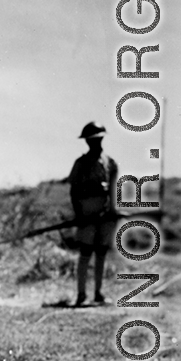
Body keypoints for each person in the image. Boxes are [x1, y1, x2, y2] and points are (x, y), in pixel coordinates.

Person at [67, 122, 118, 307]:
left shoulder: (110, 162)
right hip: (87, 209)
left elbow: (114, 188)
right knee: (86, 252)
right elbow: (73, 191)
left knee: (101, 253)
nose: (93, 142)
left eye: (96, 139)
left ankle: (98, 293)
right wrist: (78, 214)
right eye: (90, 140)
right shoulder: (81, 163)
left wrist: (113, 210)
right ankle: (81, 294)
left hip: (105, 210)